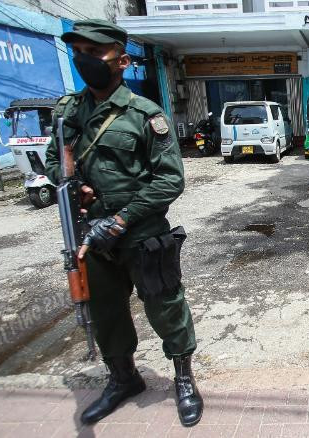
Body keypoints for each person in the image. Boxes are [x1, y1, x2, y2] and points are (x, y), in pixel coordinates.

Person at [45, 20, 203, 426]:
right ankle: (123, 378)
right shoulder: (68, 111)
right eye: (78, 52)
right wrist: (71, 182)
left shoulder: (145, 114)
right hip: (89, 237)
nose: (85, 60)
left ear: (122, 60)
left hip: (141, 233)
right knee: (106, 312)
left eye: (95, 52)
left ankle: (183, 378)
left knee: (165, 305)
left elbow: (170, 179)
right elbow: (52, 162)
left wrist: (119, 220)